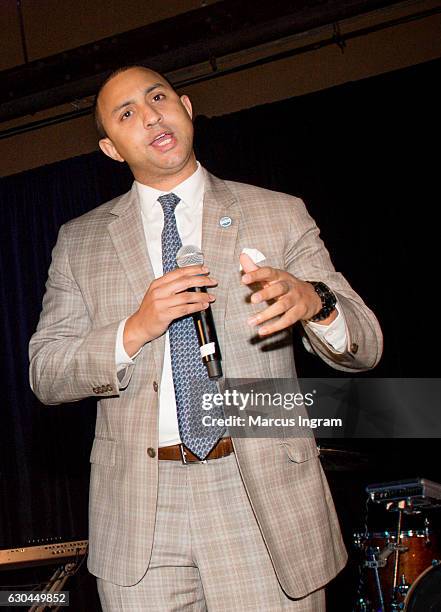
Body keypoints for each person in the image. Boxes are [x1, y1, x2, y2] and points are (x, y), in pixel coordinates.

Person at [29, 65, 383, 611]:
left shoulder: (277, 212)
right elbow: (47, 373)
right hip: (140, 517)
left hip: (260, 498)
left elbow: (366, 344)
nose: (150, 115)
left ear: (187, 109)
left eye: (159, 98)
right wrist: (135, 328)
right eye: (127, 114)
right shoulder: (79, 242)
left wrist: (316, 301)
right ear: (111, 149)